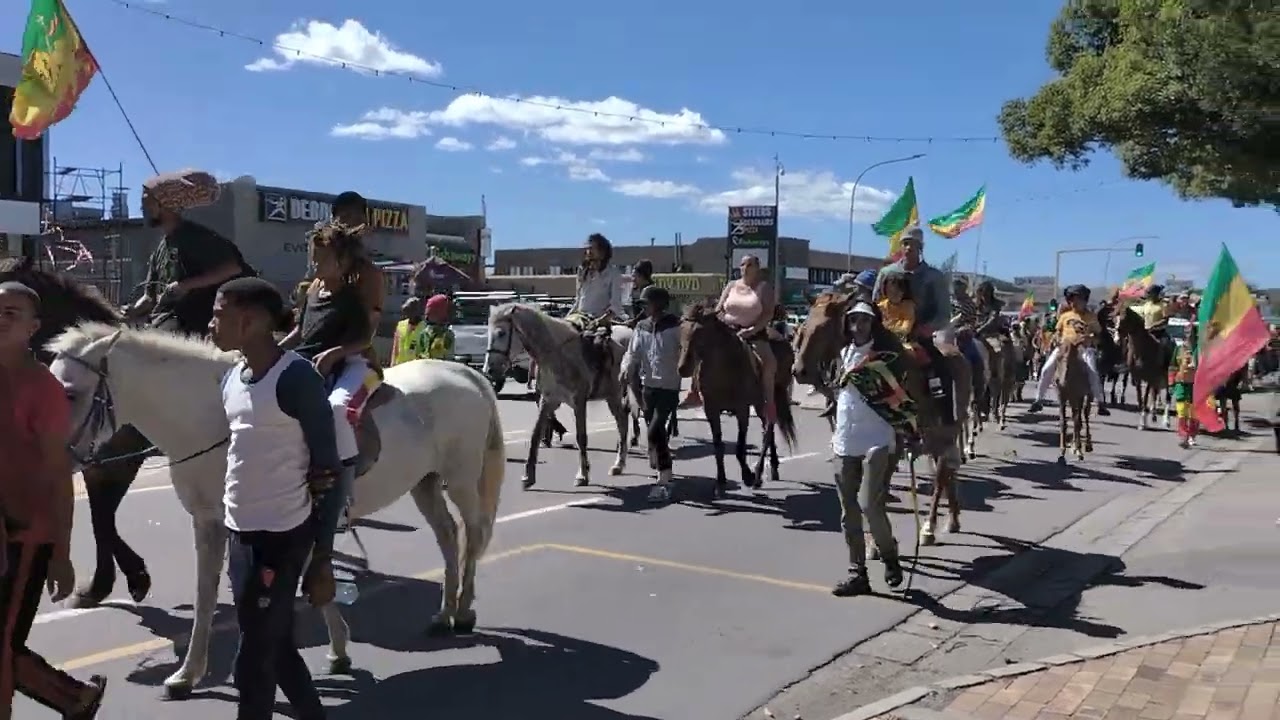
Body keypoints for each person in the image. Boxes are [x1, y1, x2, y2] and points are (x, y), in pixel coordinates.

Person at [209, 277, 336, 720]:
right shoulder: (231, 378)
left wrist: (322, 559)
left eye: (218, 314)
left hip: (282, 536)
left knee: (253, 660)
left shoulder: (296, 377)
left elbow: (328, 471)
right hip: (239, 530)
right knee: (274, 644)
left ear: (250, 321)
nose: (211, 325)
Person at [0, 282, 108, 720]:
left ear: (34, 328)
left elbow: (58, 477)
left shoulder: (41, 389)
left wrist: (60, 553)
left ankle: (73, 699)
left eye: (14, 312)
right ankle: (75, 699)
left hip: (23, 537)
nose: (3, 317)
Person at [278, 210, 383, 606]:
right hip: (308, 362)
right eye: (313, 257)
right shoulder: (311, 290)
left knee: (337, 411)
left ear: (343, 260)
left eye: (323, 258)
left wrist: (335, 352)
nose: (316, 265)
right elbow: (298, 333)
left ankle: (341, 493)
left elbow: (364, 336)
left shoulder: (355, 294)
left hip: (353, 364)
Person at [829, 301, 910, 596]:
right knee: (847, 511)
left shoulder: (887, 357)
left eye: (864, 320)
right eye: (854, 320)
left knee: (869, 506)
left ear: (873, 323)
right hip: (845, 440)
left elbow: (899, 396)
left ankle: (890, 557)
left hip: (877, 438)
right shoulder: (842, 355)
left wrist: (907, 427)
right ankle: (857, 573)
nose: (859, 325)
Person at [873, 228, 953, 420]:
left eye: (914, 244)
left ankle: (945, 414)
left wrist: (927, 328)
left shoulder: (934, 276)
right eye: (905, 243)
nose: (909, 248)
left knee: (940, 367)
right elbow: (875, 303)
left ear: (921, 248)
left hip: (919, 336)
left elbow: (944, 312)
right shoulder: (887, 272)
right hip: (885, 335)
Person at [626, 285, 683, 504]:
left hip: (669, 387)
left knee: (655, 430)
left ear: (659, 304)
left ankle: (664, 480)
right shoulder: (641, 327)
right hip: (647, 387)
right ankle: (665, 471)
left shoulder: (675, 326)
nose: (644, 307)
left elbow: (686, 351)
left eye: (646, 303)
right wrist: (628, 370)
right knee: (656, 435)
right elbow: (633, 353)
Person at [716, 254, 780, 422]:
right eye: (743, 264)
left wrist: (751, 330)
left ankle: (769, 403)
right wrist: (722, 321)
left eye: (750, 264)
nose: (745, 268)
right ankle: (697, 391)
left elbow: (768, 314)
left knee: (768, 363)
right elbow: (719, 309)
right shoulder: (731, 286)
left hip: (754, 334)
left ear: (757, 268)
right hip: (727, 332)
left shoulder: (764, 287)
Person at [1029, 285, 1108, 414]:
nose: (1074, 303)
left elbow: (1098, 334)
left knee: (1093, 372)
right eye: (1072, 300)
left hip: (1084, 349)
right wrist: (1057, 339)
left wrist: (1090, 338)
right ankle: (1038, 400)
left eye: (1078, 300)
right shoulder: (1065, 316)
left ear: (1085, 300)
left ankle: (1100, 402)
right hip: (1064, 348)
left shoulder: (1091, 317)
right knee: (1046, 369)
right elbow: (1058, 332)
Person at [1169, 323, 1200, 448]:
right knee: (1182, 411)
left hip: (1196, 385)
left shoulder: (1200, 350)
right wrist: (1171, 384)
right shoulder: (1179, 349)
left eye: (1191, 333)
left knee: (1193, 413)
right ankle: (1184, 435)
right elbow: (1172, 366)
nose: (1188, 335)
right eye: (1186, 333)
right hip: (1181, 383)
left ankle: (1192, 435)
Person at [412, 294, 455, 361]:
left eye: (431, 312)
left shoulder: (447, 335)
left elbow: (448, 358)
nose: (427, 315)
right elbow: (418, 354)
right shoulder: (424, 334)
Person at [876, 270, 916, 340]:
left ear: (904, 291)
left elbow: (905, 329)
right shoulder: (880, 306)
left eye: (898, 290)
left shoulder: (908, 306)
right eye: (891, 291)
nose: (895, 294)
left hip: (902, 341)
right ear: (885, 290)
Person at [390, 297, 425, 366]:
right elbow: (395, 348)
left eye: (410, 310)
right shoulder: (400, 325)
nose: (407, 313)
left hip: (415, 369)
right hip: (399, 367)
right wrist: (392, 363)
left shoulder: (424, 328)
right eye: (406, 310)